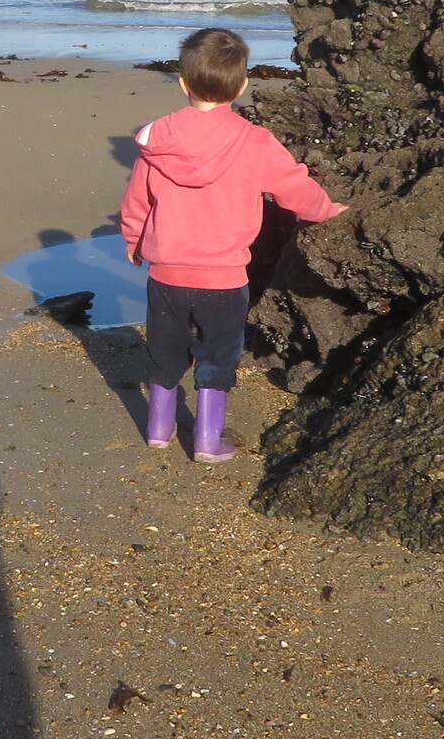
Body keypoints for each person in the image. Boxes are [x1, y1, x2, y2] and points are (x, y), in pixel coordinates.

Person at [118, 26, 343, 461]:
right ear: (242, 86)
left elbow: (137, 200)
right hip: (224, 277)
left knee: (164, 352)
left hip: (166, 274)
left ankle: (159, 429)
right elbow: (294, 188)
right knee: (218, 356)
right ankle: (207, 440)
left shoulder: (159, 141)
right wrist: (326, 209)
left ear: (183, 83)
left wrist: (134, 239)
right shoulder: (254, 141)